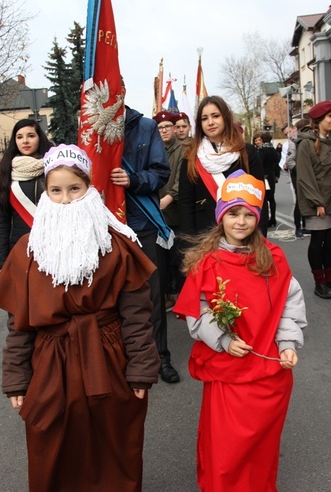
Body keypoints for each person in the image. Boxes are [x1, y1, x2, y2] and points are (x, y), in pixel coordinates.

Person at [0, 144, 160, 492]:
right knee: (51, 447)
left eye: (74, 189)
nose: (65, 199)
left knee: (113, 447)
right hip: (51, 363)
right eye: (56, 190)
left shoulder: (115, 244)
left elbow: (137, 315)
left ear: (89, 188)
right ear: (46, 193)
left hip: (108, 358)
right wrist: (16, 376)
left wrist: (142, 367)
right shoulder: (29, 250)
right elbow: (18, 322)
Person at [173, 169, 307, 492]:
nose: (241, 221)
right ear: (221, 215)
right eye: (233, 212)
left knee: (260, 448)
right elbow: (198, 311)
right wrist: (223, 339)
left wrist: (287, 343)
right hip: (228, 370)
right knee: (227, 448)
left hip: (265, 369)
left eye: (249, 214)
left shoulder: (272, 258)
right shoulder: (207, 261)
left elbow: (288, 302)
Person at [110, 82, 180, 383]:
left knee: (151, 296)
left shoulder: (146, 126)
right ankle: (123, 359)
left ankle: (159, 357)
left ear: (123, 91)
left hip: (143, 224)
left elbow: (160, 172)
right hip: (108, 226)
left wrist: (133, 179)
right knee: (113, 297)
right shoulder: (93, 131)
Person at [178, 95, 267, 237]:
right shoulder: (191, 157)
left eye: (215, 116)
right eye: (204, 118)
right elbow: (185, 205)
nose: (210, 122)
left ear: (225, 117)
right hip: (205, 236)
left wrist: (260, 237)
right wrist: (189, 244)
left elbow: (260, 198)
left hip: (243, 233)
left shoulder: (247, 152)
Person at [0, 118, 52, 271]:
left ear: (40, 138)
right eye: (19, 137)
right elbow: (2, 220)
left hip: (53, 247)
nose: (25, 141)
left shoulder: (54, 167)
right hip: (21, 249)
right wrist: (2, 261)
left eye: (31, 136)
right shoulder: (7, 172)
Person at [296, 101, 331, 299]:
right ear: (319, 121)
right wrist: (318, 202)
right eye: (330, 117)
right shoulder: (306, 144)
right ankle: (320, 282)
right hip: (317, 204)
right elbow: (305, 177)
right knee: (318, 242)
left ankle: (330, 278)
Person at [153, 110, 184, 309]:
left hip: (176, 213)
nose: (164, 130)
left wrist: (169, 197)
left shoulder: (183, 150)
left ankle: (181, 294)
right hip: (157, 213)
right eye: (160, 128)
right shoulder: (154, 150)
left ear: (174, 128)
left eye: (167, 127)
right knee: (160, 259)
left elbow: (181, 180)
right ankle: (167, 294)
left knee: (178, 257)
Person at [286, 118, 310, 239]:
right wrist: (300, 170)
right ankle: (298, 227)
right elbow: (289, 161)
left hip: (309, 175)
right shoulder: (294, 142)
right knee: (300, 201)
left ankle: (307, 226)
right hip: (299, 175)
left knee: (309, 200)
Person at [258, 131, 280, 227]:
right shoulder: (273, 150)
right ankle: (273, 218)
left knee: (264, 199)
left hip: (263, 177)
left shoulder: (262, 150)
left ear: (262, 140)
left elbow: (259, 164)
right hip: (271, 176)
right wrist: (276, 174)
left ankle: (265, 219)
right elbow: (277, 163)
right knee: (271, 198)